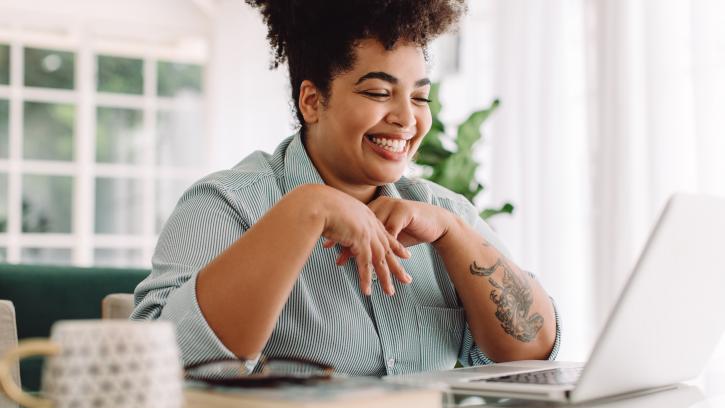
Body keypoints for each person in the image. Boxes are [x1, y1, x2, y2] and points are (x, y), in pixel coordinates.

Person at [132, 0, 560, 376]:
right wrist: (305, 210)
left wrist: (454, 236)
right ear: (312, 101)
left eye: (419, 98)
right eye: (378, 92)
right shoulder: (225, 206)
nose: (406, 119)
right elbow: (157, 368)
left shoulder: (443, 213)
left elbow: (532, 354)